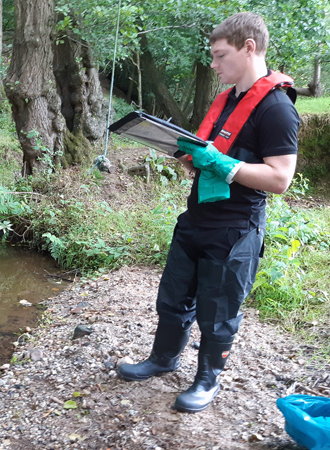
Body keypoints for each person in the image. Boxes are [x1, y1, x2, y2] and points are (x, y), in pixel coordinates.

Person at [117, 12, 300, 413]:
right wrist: (187, 155)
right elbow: (207, 157)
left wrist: (225, 165)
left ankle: (207, 380)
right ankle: (163, 359)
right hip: (196, 218)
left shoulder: (276, 108)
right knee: (173, 296)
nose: (213, 65)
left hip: (236, 229)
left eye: (219, 56)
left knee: (218, 312)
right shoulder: (226, 100)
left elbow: (281, 178)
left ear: (248, 48)